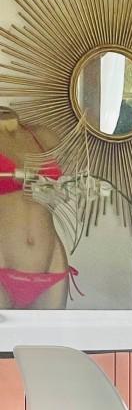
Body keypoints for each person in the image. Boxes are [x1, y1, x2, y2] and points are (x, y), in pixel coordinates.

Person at [0, 108, 74, 309]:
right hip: (3, 260)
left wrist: (53, 190)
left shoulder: (44, 136)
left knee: (51, 339)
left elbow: (64, 193)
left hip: (51, 262)